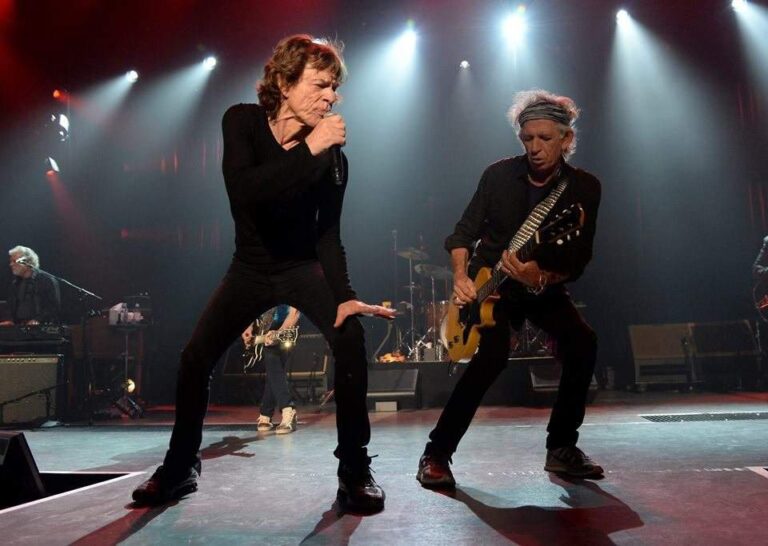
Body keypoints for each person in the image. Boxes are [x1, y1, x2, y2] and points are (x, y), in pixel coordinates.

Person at [131, 34, 394, 512]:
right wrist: (310, 148)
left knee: (351, 338)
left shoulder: (334, 159)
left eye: (335, 88)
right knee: (195, 358)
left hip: (302, 267)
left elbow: (328, 236)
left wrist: (345, 295)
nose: (331, 98)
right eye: (320, 85)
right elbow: (245, 193)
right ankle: (180, 467)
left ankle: (354, 470)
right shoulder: (242, 122)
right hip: (250, 267)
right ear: (284, 83)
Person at [416, 89, 603, 489]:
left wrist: (542, 277)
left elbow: (579, 259)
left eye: (545, 138)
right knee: (490, 358)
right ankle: (436, 453)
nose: (535, 148)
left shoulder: (584, 189)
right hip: (490, 287)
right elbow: (462, 235)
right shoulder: (498, 175)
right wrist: (462, 278)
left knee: (583, 343)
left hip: (540, 284)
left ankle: (561, 448)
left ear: (567, 138)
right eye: (527, 138)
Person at [241, 304, 300, 434]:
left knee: (272, 361)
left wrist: (278, 332)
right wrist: (249, 326)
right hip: (265, 328)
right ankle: (266, 411)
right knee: (274, 371)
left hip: (286, 328)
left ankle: (287, 409)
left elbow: (294, 313)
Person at [1, 246, 61, 327]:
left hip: (41, 328)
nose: (11, 264)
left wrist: (38, 320)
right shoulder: (15, 283)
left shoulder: (46, 280)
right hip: (19, 327)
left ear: (27, 262)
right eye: (10, 261)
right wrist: (10, 321)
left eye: (14, 261)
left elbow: (53, 308)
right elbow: (12, 308)